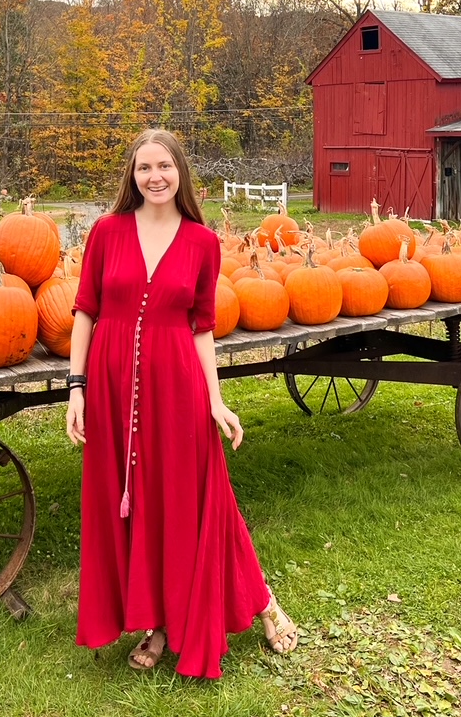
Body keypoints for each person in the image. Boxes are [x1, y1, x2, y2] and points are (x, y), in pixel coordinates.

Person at [65, 129, 298, 678]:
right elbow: (84, 312)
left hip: (178, 390)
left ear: (180, 172)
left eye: (164, 166)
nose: (155, 177)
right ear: (132, 175)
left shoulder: (200, 242)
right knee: (136, 505)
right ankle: (158, 623)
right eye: (144, 167)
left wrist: (216, 402)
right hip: (112, 387)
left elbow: (201, 330)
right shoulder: (106, 232)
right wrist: (76, 388)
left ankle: (261, 600)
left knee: (196, 503)